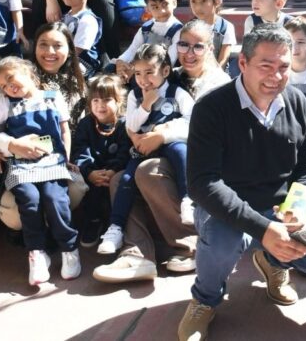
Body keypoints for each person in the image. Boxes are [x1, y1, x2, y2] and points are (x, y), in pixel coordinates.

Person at [178, 25, 306, 340]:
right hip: (229, 209)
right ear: (242, 63)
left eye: (284, 67)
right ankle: (204, 298)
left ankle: (272, 261)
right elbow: (202, 183)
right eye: (266, 66)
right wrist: (262, 228)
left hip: (282, 207)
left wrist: (299, 208)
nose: (276, 75)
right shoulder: (211, 108)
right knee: (222, 241)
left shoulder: (297, 102)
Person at [0, 57, 80, 285]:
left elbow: (65, 130)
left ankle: (69, 248)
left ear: (28, 72)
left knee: (55, 198)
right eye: (3, 86)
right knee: (30, 199)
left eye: (10, 78)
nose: (9, 87)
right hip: (21, 163)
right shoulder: (6, 104)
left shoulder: (53, 98)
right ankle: (36, 252)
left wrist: (67, 157)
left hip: (52, 159)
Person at [99, 43, 195, 256]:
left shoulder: (176, 92)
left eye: (150, 73)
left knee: (182, 153)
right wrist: (146, 106)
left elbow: (192, 121)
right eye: (138, 73)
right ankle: (115, 228)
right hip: (142, 148)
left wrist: (165, 132)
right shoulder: (135, 95)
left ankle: (188, 199)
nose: (143, 80)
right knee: (125, 180)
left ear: (165, 71)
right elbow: (131, 126)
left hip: (170, 142)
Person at [71, 74, 130, 248]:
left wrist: (113, 170)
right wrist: (89, 171)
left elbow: (125, 151)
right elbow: (80, 150)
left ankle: (116, 224)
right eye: (95, 100)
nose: (100, 105)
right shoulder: (86, 124)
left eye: (106, 100)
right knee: (93, 188)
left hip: (115, 171)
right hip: (93, 172)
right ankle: (94, 221)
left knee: (118, 185)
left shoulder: (124, 125)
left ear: (119, 101)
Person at [114, 0, 181, 77]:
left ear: (174, 3)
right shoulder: (145, 28)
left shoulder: (178, 30)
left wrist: (137, 70)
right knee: (111, 70)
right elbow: (133, 49)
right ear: (148, 9)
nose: (162, 11)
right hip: (142, 70)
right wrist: (121, 61)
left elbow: (171, 59)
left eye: (165, 4)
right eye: (155, 7)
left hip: (163, 73)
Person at [30, 22, 86, 127]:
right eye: (43, 44)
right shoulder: (20, 78)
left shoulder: (78, 82)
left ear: (69, 51)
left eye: (58, 45)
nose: (50, 51)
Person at [59, 0, 103, 77]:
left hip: (81, 66)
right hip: (63, 59)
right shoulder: (67, 16)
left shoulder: (87, 20)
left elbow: (77, 51)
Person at [187, 0, 236, 70]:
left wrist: (212, 77)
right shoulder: (188, 28)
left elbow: (223, 59)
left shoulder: (225, 27)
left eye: (204, 1)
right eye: (193, 1)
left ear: (217, 1)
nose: (198, 6)